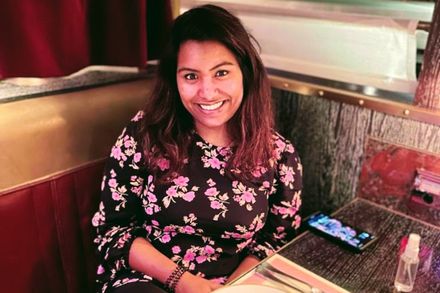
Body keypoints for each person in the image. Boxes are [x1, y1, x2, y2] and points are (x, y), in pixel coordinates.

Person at [92, 4, 302, 293]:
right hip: (145, 281)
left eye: (221, 73)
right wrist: (185, 283)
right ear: (174, 80)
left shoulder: (279, 154)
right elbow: (113, 231)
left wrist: (231, 288)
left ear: (246, 72)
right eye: (191, 76)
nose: (206, 92)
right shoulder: (144, 135)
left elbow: (275, 239)